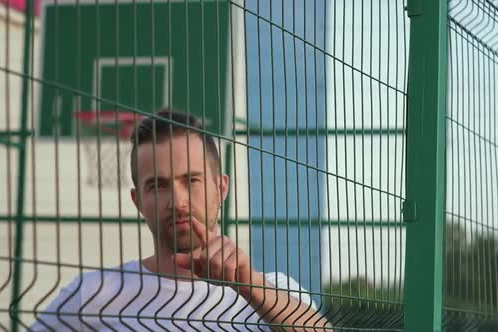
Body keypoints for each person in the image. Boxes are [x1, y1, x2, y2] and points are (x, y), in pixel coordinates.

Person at [31, 110, 330, 331]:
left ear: (221, 188)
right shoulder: (97, 293)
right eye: (157, 185)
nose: (178, 202)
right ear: (139, 202)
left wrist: (248, 284)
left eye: (192, 180)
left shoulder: (274, 292)